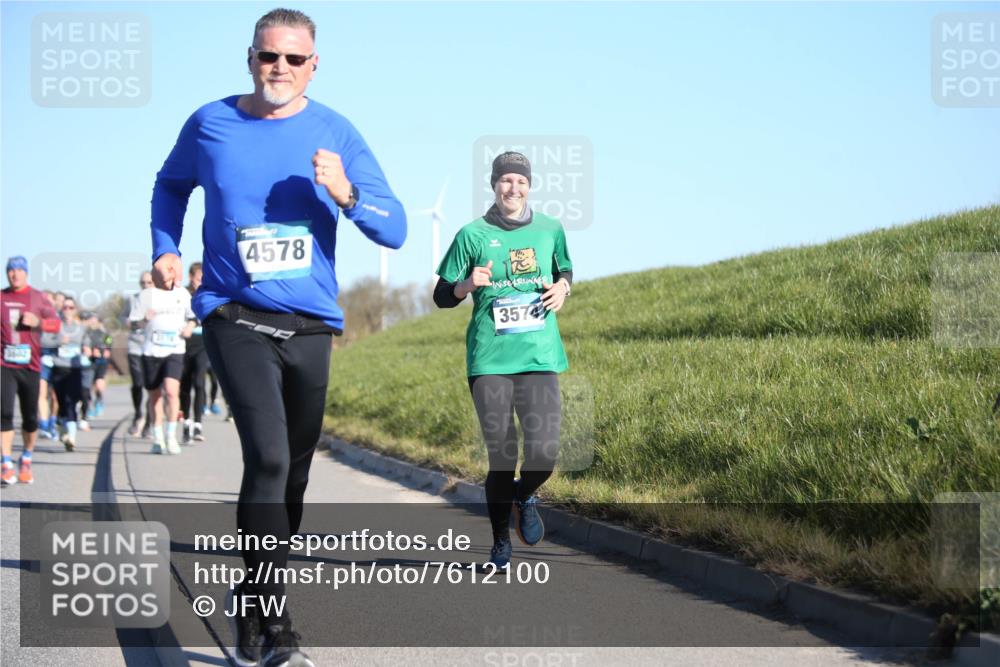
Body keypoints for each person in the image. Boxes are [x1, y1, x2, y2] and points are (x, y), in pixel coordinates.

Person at [150, 8, 406, 666]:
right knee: (265, 457)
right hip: (233, 313)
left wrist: (347, 193)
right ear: (250, 58)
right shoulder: (211, 123)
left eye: (294, 59)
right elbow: (170, 184)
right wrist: (166, 246)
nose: (280, 69)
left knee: (292, 473)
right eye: (269, 56)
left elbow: (396, 227)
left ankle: (255, 592)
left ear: (313, 65)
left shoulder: (336, 133)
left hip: (312, 325)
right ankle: (270, 618)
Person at [434, 151, 573, 568]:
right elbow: (441, 296)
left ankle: (525, 494)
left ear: (529, 186)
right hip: (490, 361)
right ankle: (499, 542)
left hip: (539, 356)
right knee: (502, 454)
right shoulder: (471, 235)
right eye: (505, 181)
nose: (513, 188)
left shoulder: (550, 228)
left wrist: (563, 288)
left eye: (521, 182)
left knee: (545, 451)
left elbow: (565, 269)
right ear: (493, 185)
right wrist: (464, 285)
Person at [1, 256, 59, 485]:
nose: (15, 274)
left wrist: (39, 322)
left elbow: (56, 325)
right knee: (4, 413)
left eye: (19, 270)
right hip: (5, 365)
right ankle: (5, 462)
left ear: (26, 273)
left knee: (30, 417)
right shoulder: (2, 297)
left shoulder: (38, 298)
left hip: (31, 366)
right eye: (11, 271)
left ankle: (26, 457)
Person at [130, 282, 195, 455]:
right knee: (155, 396)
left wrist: (190, 327)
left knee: (172, 391)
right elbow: (133, 323)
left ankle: (171, 436)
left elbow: (194, 316)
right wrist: (144, 320)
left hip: (175, 349)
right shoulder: (146, 295)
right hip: (151, 351)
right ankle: (158, 438)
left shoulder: (182, 293)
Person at [49, 297, 90, 451]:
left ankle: (71, 438)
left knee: (70, 401)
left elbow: (87, 343)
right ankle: (61, 427)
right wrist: (58, 342)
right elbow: (44, 342)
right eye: (65, 307)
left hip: (74, 368)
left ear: (75, 310)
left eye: (71, 307)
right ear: (61, 309)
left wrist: (87, 348)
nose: (67, 310)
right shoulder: (55, 327)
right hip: (58, 367)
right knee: (60, 402)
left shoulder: (81, 329)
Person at [179, 262, 208, 443]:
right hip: (184, 343)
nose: (201, 282)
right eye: (198, 279)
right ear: (191, 277)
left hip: (202, 344)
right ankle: (186, 422)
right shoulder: (182, 294)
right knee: (185, 384)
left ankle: (198, 424)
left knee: (199, 383)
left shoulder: (208, 293)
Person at [126, 272, 155, 437]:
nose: (146, 285)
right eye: (143, 283)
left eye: (149, 282)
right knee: (138, 383)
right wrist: (135, 321)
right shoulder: (132, 299)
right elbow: (125, 319)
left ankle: (149, 423)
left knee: (152, 385)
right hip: (135, 345)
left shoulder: (160, 299)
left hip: (152, 345)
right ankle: (138, 414)